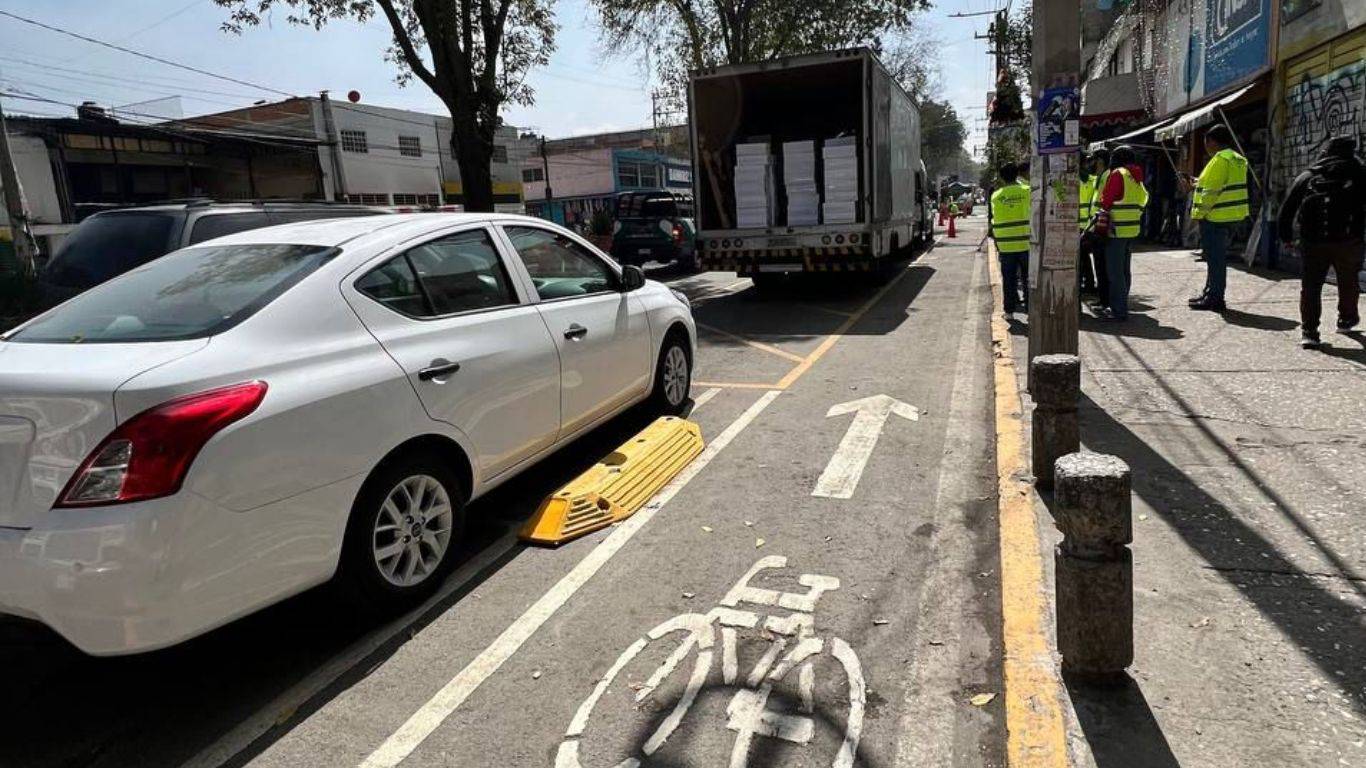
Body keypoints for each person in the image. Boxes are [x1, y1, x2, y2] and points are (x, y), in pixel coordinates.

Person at [1277, 135, 1366, 349]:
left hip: (1313, 241)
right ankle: (1346, 319)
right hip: (1348, 240)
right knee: (1349, 281)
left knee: (1311, 285)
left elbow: (1287, 209)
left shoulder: (1309, 175)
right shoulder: (1360, 173)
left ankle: (1309, 332)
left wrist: (1286, 237)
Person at [1189, 125, 1251, 311]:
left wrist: (1198, 214)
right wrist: (1198, 183)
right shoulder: (1238, 159)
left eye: (1207, 142)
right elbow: (1224, 184)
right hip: (1233, 215)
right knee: (1217, 258)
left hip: (1215, 217)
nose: (1206, 146)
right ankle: (1210, 292)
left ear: (1213, 142)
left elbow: (1211, 192)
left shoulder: (1219, 160)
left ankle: (1215, 297)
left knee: (1215, 259)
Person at [1094, 145, 1149, 321]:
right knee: (1124, 270)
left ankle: (1118, 310)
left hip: (1115, 230)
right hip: (1131, 229)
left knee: (1115, 272)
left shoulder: (1118, 174)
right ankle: (1122, 304)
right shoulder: (1136, 176)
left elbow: (1106, 200)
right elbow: (1144, 199)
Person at [990, 162, 1031, 315]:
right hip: (1026, 243)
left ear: (1001, 177)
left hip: (1006, 246)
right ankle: (1030, 309)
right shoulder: (1028, 191)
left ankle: (1009, 311)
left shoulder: (996, 196)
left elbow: (994, 219)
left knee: (1009, 280)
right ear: (1017, 175)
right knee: (1029, 280)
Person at [1079, 154, 1098, 294]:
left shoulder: (1069, 180)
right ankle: (1089, 284)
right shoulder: (1094, 180)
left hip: (1076, 226)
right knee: (1085, 257)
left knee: (1081, 257)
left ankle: (1085, 283)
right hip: (1090, 225)